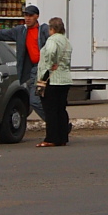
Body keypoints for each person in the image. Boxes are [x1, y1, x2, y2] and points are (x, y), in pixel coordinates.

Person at [36, 17, 73, 148]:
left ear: (51, 29)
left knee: (50, 110)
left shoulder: (52, 39)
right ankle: (62, 138)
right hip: (65, 79)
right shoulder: (66, 41)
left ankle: (51, 138)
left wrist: (50, 64)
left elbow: (51, 52)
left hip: (52, 79)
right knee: (61, 109)